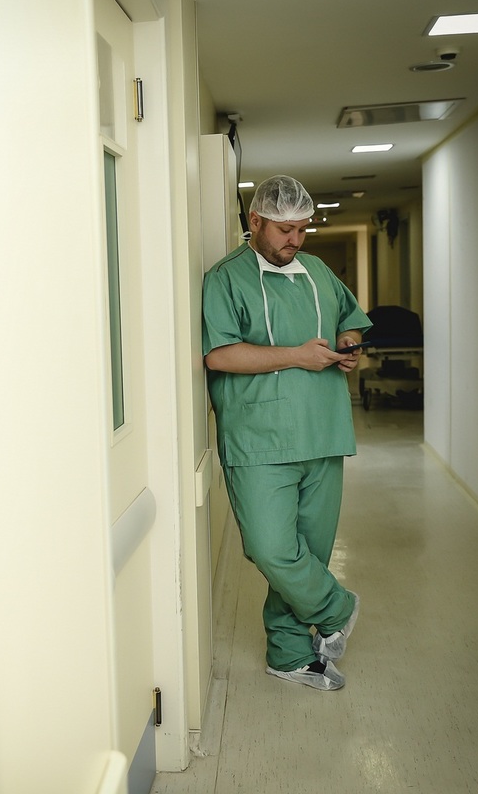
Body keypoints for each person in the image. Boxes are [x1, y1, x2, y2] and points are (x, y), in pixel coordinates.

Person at [201, 174, 370, 691]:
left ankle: (291, 653)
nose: (294, 240)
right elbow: (219, 353)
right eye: (283, 229)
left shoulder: (317, 271)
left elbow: (351, 317)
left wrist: (349, 342)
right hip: (258, 438)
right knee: (272, 548)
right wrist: (298, 355)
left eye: (301, 229)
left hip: (323, 429)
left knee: (309, 552)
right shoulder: (225, 278)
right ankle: (337, 607)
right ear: (255, 222)